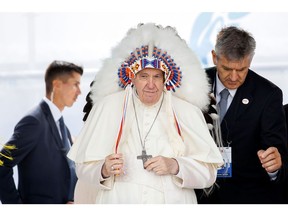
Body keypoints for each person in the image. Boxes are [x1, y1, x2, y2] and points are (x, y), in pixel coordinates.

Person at [67, 23, 223, 204]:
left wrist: (175, 165)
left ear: (166, 78)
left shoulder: (187, 111)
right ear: (132, 77)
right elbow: (83, 168)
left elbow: (209, 174)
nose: (151, 84)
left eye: (156, 76)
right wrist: (103, 169)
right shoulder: (107, 107)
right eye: (143, 76)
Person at [196, 26, 288, 204]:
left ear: (250, 61)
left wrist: (275, 166)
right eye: (226, 68)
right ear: (215, 57)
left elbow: (277, 153)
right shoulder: (194, 83)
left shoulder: (268, 94)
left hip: (246, 198)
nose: (233, 76)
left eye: (241, 70)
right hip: (199, 196)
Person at [0, 60, 83, 204]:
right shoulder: (33, 122)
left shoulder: (62, 125)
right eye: (75, 84)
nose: (80, 91)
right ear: (56, 85)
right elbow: (1, 163)